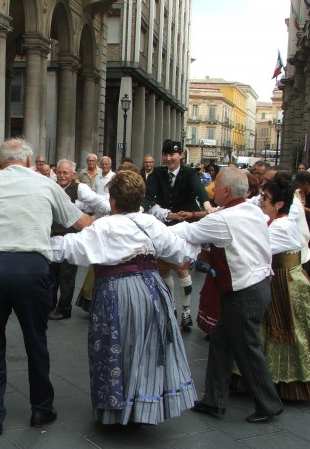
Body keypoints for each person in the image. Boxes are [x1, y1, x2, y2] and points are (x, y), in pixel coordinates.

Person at [0, 138, 93, 436]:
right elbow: (81, 223)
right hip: (32, 267)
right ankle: (41, 408)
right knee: (36, 340)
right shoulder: (46, 184)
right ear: (29, 161)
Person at [50, 170, 199, 424]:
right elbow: (180, 253)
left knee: (115, 349)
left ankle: (118, 409)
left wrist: (35, 245)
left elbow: (70, 248)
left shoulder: (105, 226)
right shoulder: (151, 223)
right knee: (147, 348)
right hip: (152, 291)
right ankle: (144, 407)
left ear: (113, 201)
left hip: (116, 293)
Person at [170, 166, 283, 423]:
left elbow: (185, 232)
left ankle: (269, 404)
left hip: (243, 291)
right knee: (221, 343)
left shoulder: (223, 219)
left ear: (226, 190)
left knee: (247, 349)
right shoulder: (251, 211)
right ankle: (214, 400)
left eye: (216, 185)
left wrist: (149, 229)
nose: (212, 189)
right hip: (256, 285)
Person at [234, 175, 310, 399]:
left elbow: (256, 248)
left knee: (290, 331)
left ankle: (287, 382)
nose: (261, 200)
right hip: (276, 279)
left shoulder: (282, 226)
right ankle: (263, 378)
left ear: (279, 204)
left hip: (288, 283)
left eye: (266, 197)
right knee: (269, 331)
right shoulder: (272, 220)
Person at [144, 139, 213, 331]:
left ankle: (185, 310)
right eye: (165, 155)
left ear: (180, 155)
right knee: (164, 269)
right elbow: (149, 196)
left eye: (172, 155)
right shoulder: (157, 173)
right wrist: (140, 208)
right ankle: (171, 307)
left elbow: (200, 192)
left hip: (185, 229)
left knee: (182, 269)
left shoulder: (189, 173)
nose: (168, 158)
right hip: (165, 228)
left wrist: (207, 206)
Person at [48, 159, 110, 320]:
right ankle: (49, 305)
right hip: (52, 237)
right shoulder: (51, 187)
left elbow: (100, 203)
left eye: (65, 173)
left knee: (66, 277)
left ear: (73, 175)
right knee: (51, 275)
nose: (61, 176)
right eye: (59, 172)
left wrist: (100, 217)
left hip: (72, 238)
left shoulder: (80, 188)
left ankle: (64, 309)